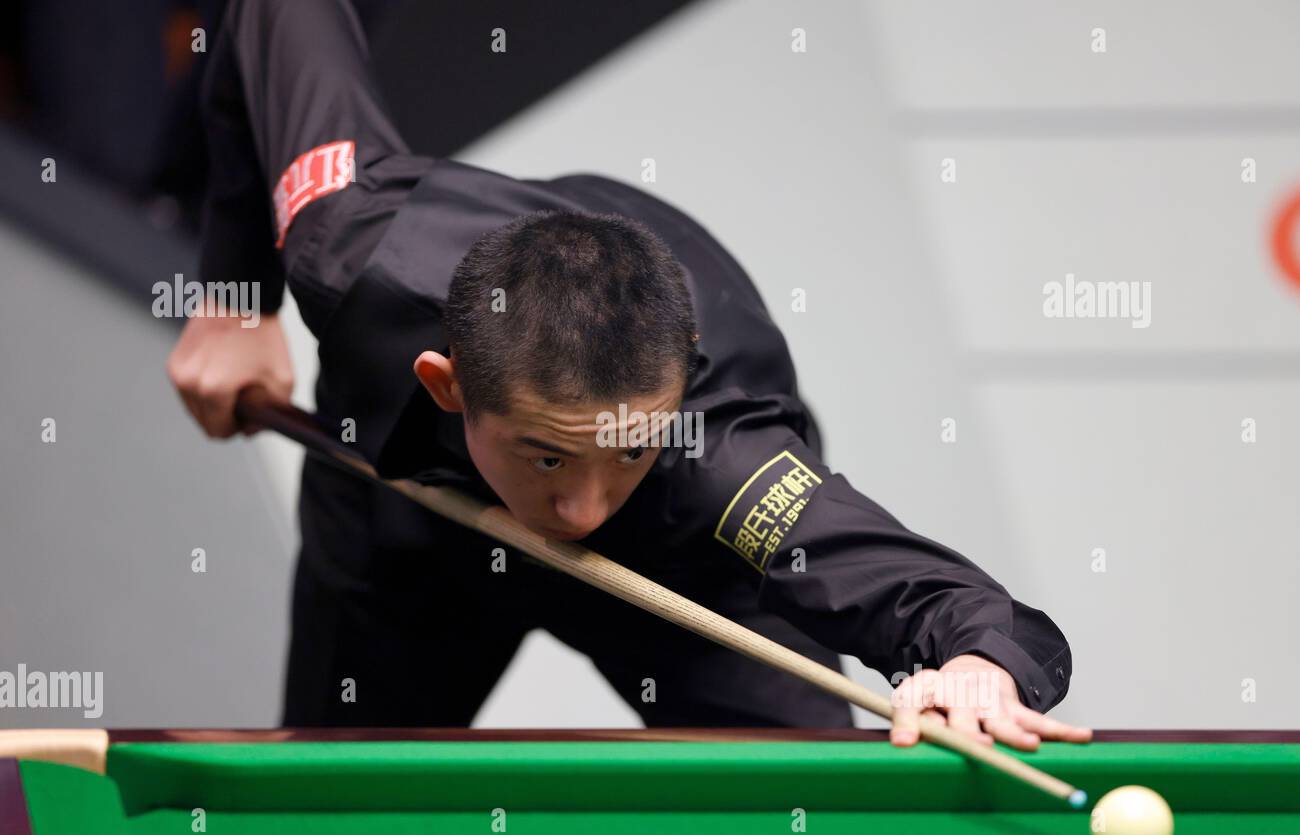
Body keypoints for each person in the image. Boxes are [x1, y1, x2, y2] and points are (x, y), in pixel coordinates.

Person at [168, 0, 1091, 749]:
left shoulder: (717, 456)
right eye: (547, 458)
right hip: (401, 524)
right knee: (329, 820)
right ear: (448, 384)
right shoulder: (350, 246)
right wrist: (235, 299)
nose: (584, 510)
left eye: (625, 451)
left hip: (682, 573)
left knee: (803, 824)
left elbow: (951, 606)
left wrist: (980, 665)